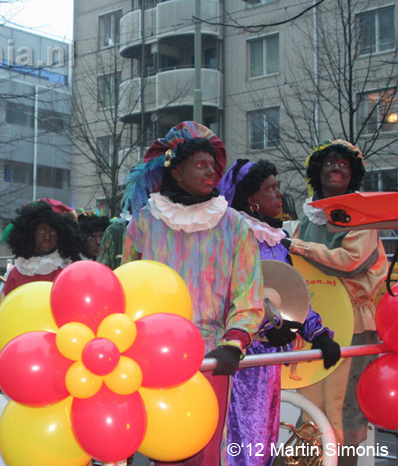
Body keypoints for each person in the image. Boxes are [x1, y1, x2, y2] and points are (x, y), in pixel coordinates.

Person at [121, 121, 264, 465]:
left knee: (206, 448)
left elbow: (249, 292)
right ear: (177, 171)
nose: (211, 170)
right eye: (200, 164)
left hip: (212, 356)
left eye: (213, 165)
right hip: (154, 355)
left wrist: (234, 341)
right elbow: (126, 285)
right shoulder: (143, 222)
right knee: (164, 447)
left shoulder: (233, 224)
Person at [217, 159, 342, 466]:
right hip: (244, 356)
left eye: (278, 186)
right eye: (270, 188)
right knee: (245, 442)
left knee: (266, 439)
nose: (278, 194)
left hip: (270, 360)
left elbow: (290, 294)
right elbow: (234, 293)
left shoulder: (276, 239)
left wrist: (318, 334)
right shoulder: (234, 233)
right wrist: (265, 327)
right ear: (251, 199)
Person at [287, 141, 387, 465]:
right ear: (317, 171)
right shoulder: (309, 217)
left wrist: (299, 247)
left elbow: (351, 261)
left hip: (354, 323)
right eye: (330, 162)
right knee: (310, 404)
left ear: (353, 173)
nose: (336, 168)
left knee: (343, 409)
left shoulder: (363, 216)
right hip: (316, 323)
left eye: (344, 164)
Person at [0, 199, 83, 305]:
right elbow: (3, 310)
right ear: (30, 233)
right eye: (41, 231)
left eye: (53, 232)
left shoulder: (68, 270)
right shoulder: (17, 272)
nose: (47, 237)